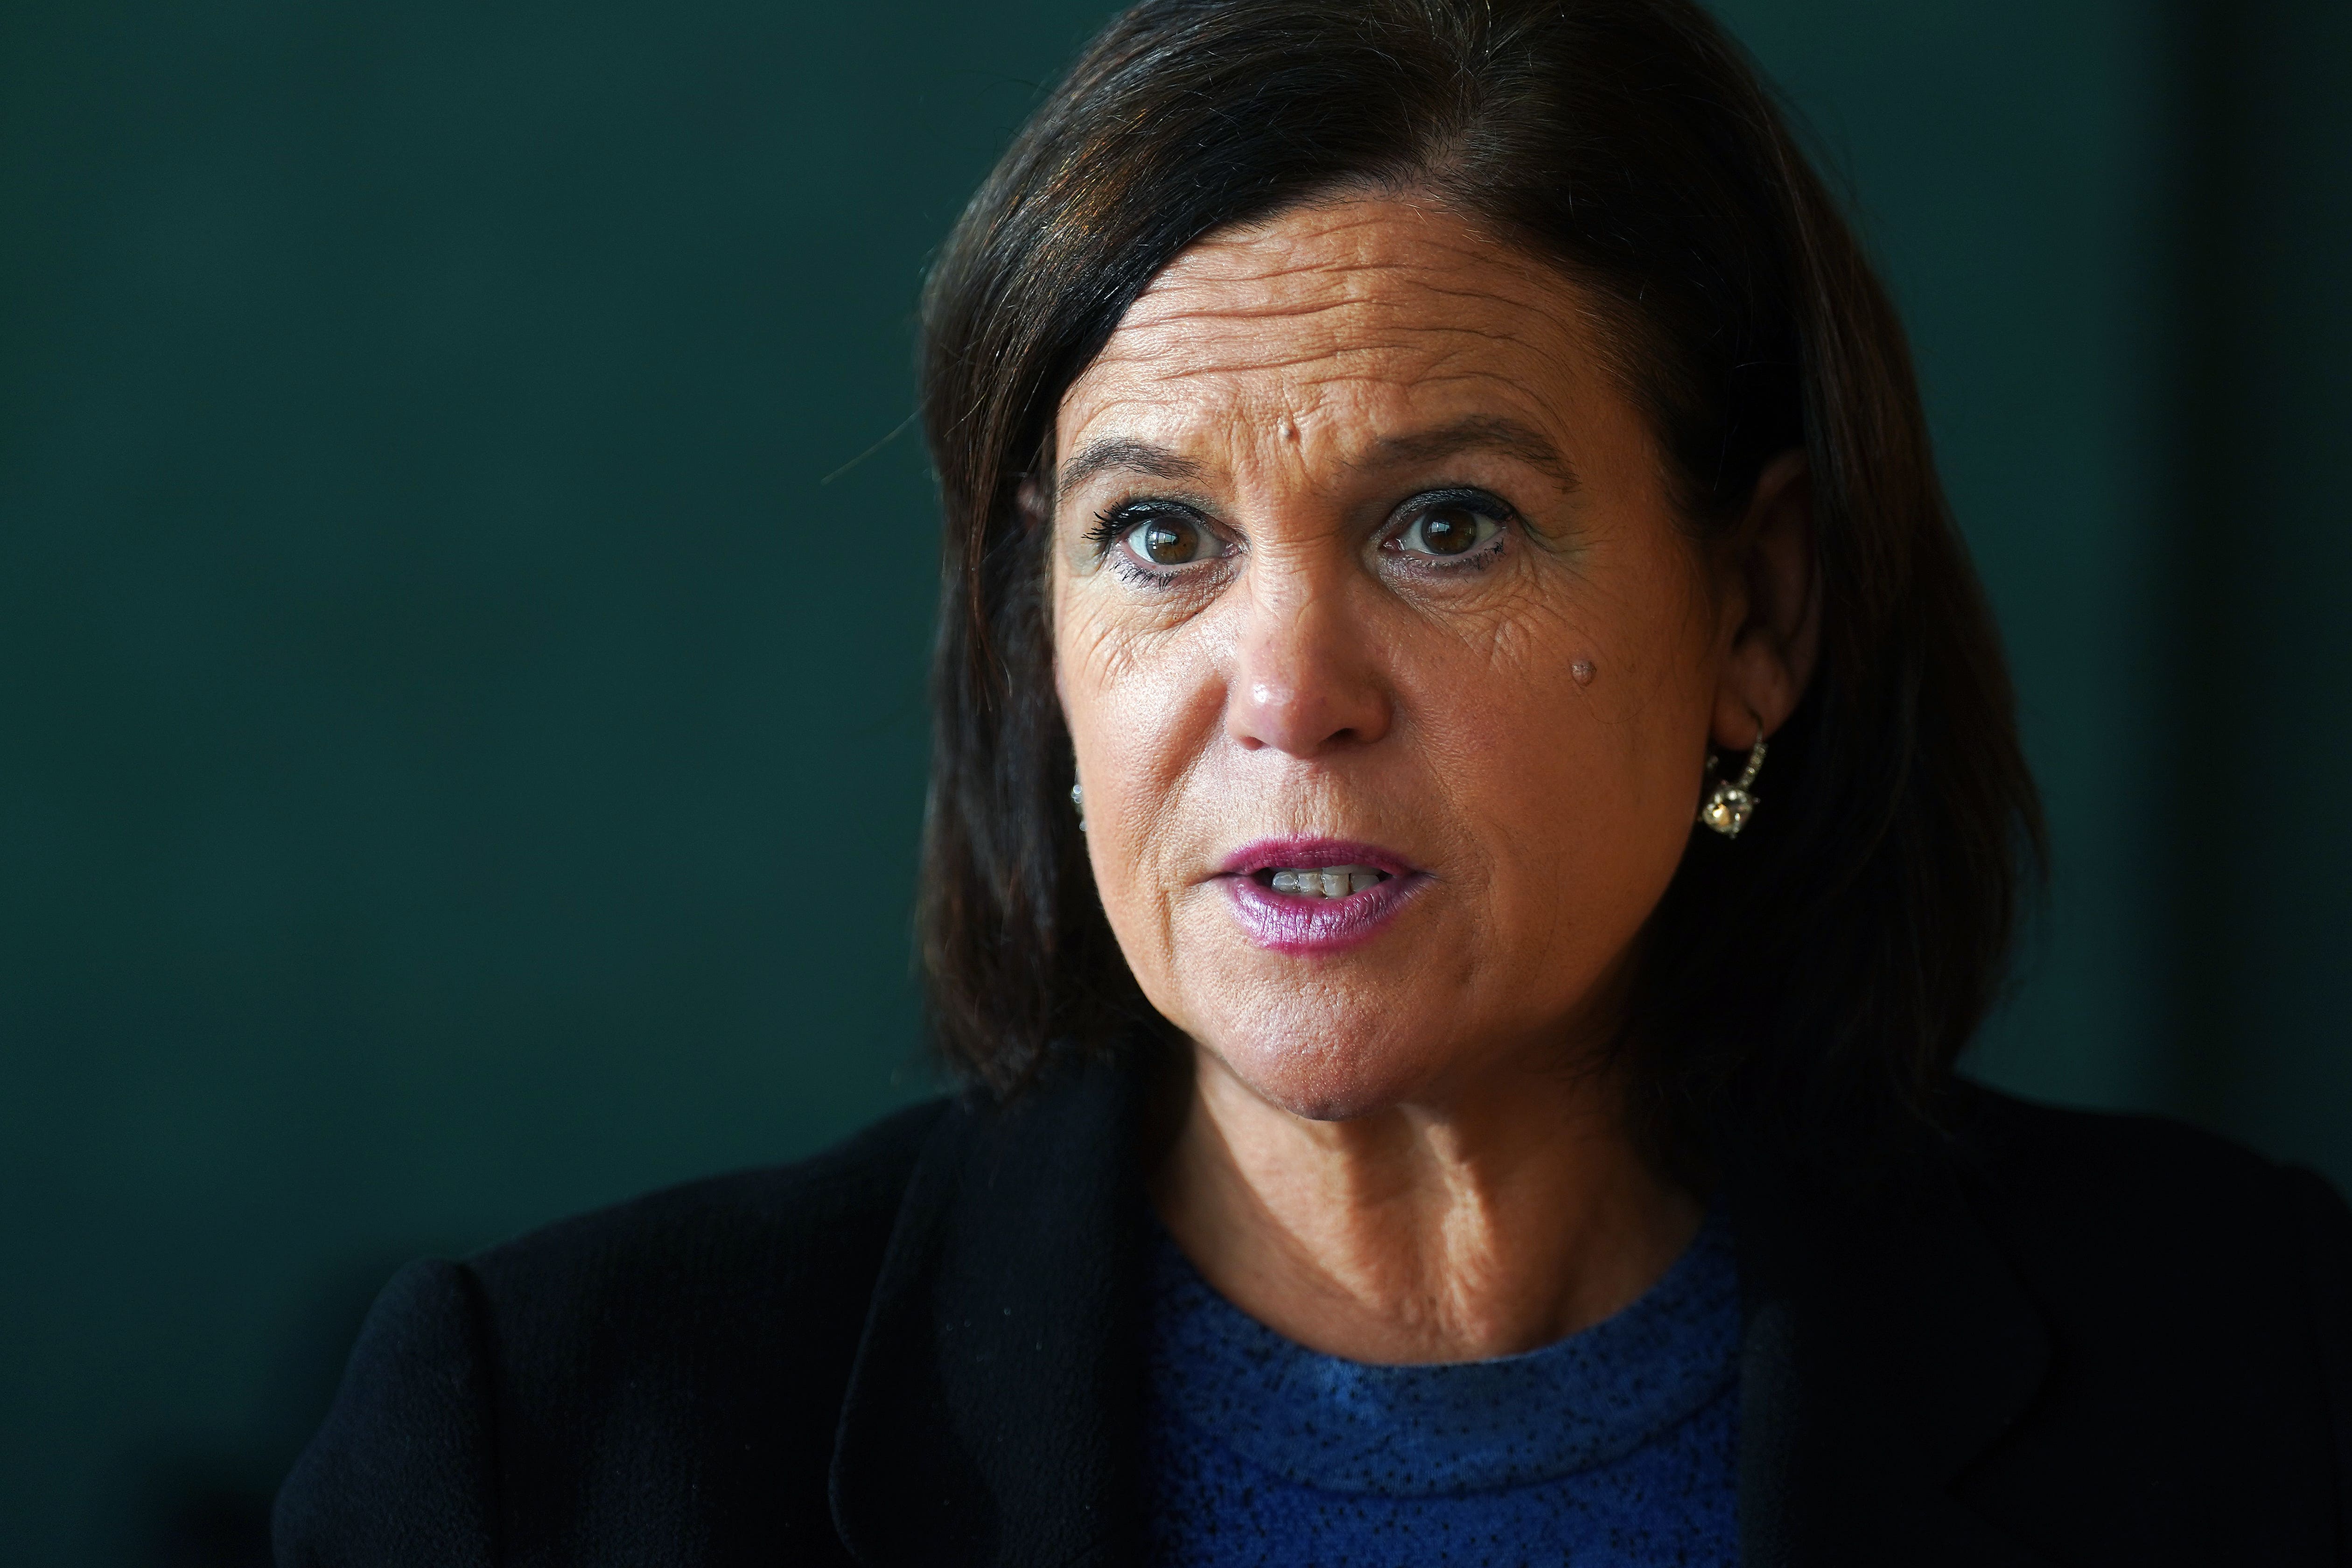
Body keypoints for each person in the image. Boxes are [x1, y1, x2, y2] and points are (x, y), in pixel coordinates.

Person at [274, 0, 2352, 1563]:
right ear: (1041, 633)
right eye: (1158, 537)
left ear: (1760, 617)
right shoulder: (548, 1446)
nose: (1285, 691)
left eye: (1445, 524)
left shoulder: (2256, 1372)